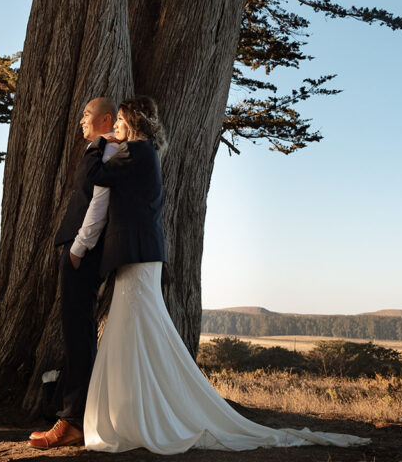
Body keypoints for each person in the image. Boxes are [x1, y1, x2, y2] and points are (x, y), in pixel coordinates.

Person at [82, 98, 371, 454]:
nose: (117, 129)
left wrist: (99, 143)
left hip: (139, 256)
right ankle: (139, 412)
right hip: (139, 256)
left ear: (134, 123)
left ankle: (146, 415)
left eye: (121, 122)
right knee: (135, 330)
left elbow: (93, 174)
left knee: (138, 330)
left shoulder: (136, 152)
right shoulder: (142, 153)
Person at [28, 97, 119, 450]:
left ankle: (72, 421)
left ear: (106, 118)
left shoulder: (109, 151)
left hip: (85, 252)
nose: (81, 119)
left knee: (79, 334)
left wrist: (79, 249)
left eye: (86, 114)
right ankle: (77, 415)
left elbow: (100, 203)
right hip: (80, 249)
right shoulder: (99, 148)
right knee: (76, 332)